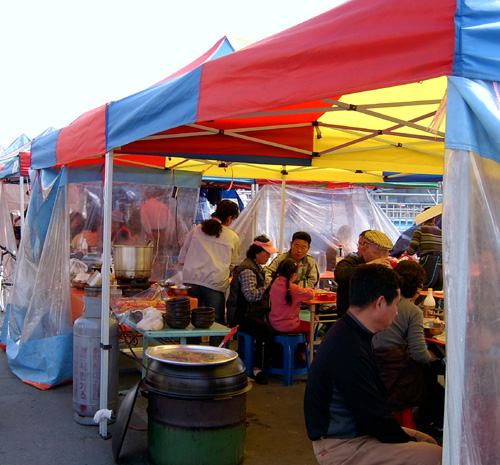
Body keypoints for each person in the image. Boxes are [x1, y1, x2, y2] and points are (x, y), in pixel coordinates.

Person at [304, 264, 442, 465]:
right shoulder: (348, 348)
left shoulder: (351, 330)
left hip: (356, 432)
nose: (396, 312)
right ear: (379, 303)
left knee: (428, 442)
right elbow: (374, 417)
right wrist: (407, 442)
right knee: (436, 456)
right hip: (341, 445)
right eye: (395, 304)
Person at [373, 260, 444, 440]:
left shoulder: (378, 301)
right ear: (417, 287)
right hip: (393, 371)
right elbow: (420, 354)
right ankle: (431, 424)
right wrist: (433, 356)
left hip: (373, 364)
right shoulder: (412, 311)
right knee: (433, 371)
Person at [178, 199, 240, 340]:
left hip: (190, 281)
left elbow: (182, 257)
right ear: (230, 218)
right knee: (216, 323)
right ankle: (215, 355)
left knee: (191, 320)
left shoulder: (196, 230)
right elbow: (234, 262)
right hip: (214, 284)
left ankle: (192, 352)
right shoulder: (232, 237)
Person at [226, 235, 278, 385]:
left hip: (251, 313)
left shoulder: (256, 266)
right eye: (266, 253)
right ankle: (257, 369)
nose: (268, 257)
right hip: (241, 315)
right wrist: (268, 286)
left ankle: (268, 362)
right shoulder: (248, 269)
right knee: (265, 330)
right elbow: (250, 295)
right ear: (257, 252)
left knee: (273, 324)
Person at [334, 229, 393, 317]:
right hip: (349, 320)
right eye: (377, 253)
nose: (382, 257)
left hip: (377, 320)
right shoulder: (350, 262)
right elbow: (341, 275)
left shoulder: (385, 269)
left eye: (385, 254)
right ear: (364, 249)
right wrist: (369, 265)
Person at [269, 258, 315, 339]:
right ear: (294, 275)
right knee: (310, 326)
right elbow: (311, 294)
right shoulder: (294, 289)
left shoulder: (274, 285)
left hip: (273, 323)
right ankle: (303, 350)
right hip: (289, 326)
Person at [404, 215, 442, 290]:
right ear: (434, 220)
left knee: (423, 288)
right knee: (436, 293)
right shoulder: (441, 232)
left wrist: (405, 254)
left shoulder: (420, 230)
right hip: (440, 264)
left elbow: (412, 250)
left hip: (429, 262)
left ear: (423, 220)